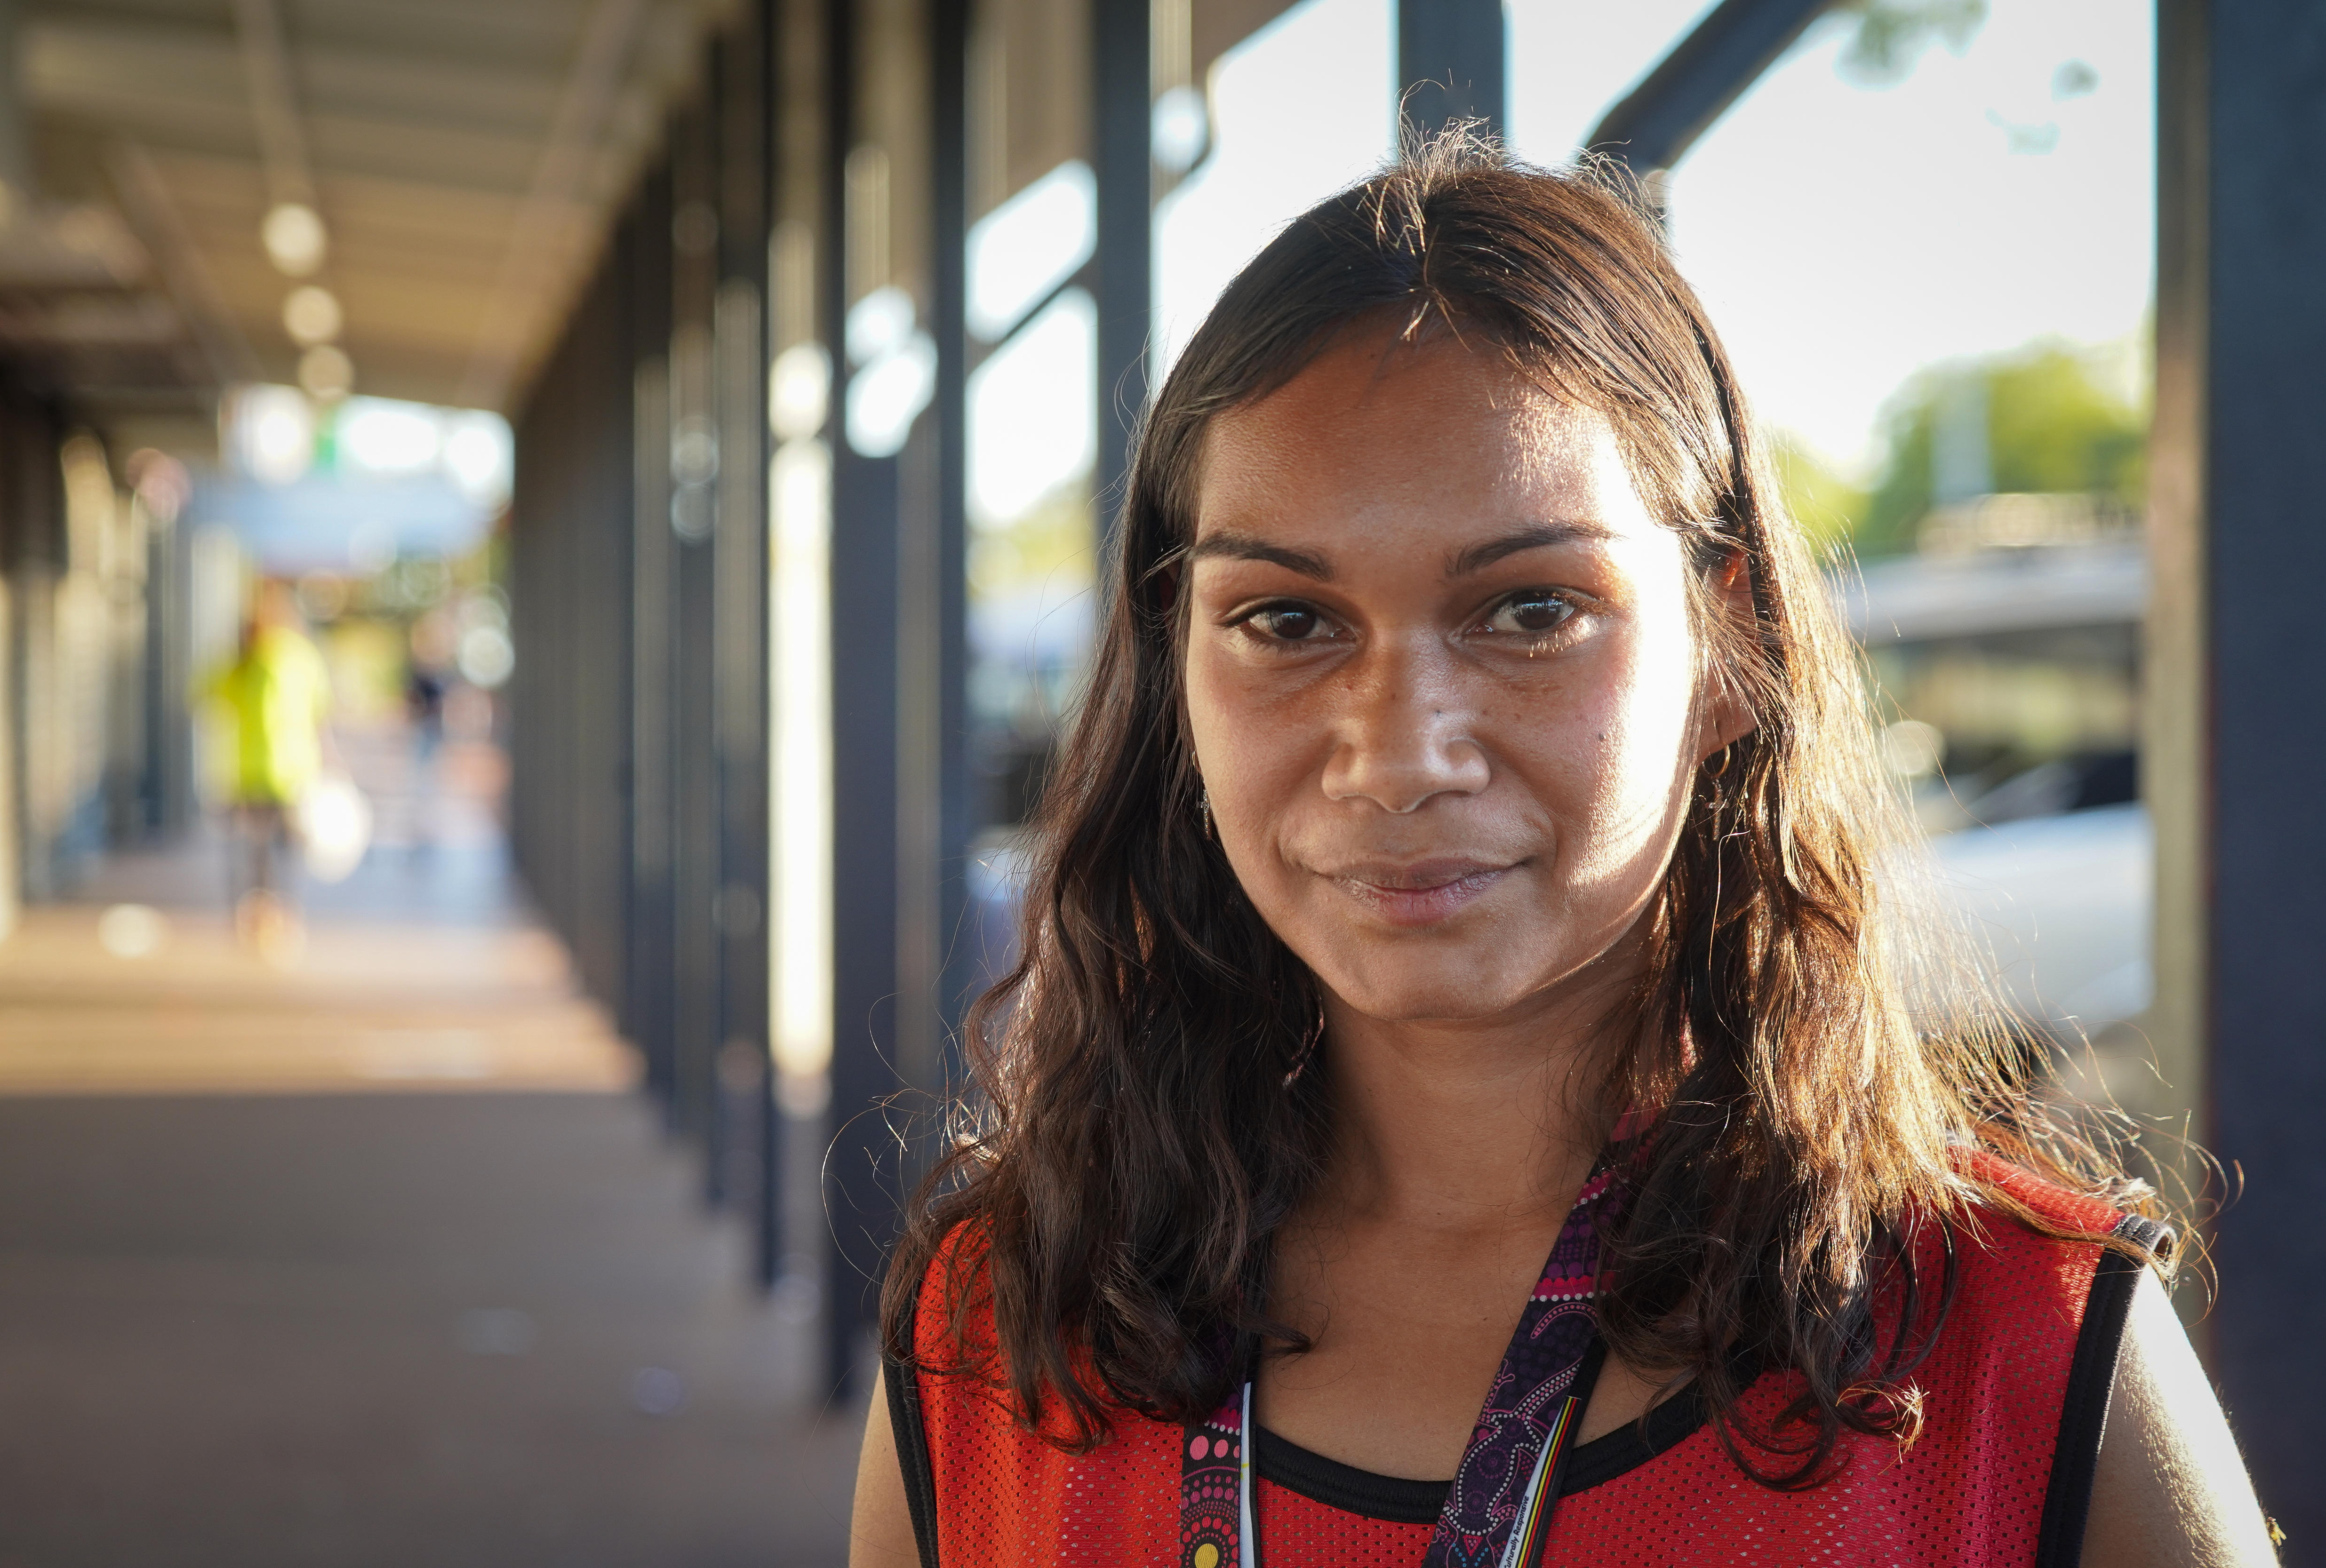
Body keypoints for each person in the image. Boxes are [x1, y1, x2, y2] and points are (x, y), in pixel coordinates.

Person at [851, 139, 2278, 1566]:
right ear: (1178, 668)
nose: (1400, 754)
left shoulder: (2020, 1351)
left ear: (1729, 649)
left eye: (1529, 611)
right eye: (1285, 620)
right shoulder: (994, 1325)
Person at [206, 581, 330, 952]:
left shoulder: (254, 659)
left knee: (261, 852)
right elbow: (320, 710)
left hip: (264, 773)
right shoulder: (291, 656)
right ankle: (272, 919)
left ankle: (265, 919)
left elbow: (213, 696)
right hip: (276, 773)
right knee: (272, 852)